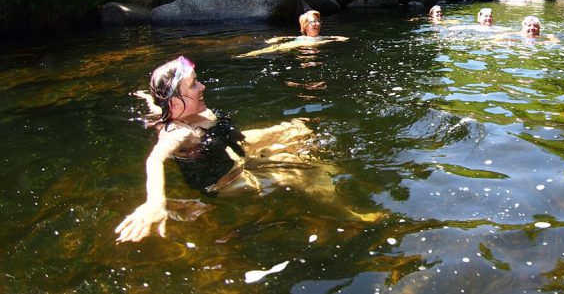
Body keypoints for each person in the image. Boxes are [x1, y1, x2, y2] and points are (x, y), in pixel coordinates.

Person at [114, 57, 378, 243]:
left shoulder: (182, 110)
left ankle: (306, 163)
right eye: (194, 84)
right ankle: (349, 214)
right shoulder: (179, 132)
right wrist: (154, 203)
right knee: (301, 167)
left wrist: (147, 98)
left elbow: (159, 109)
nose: (202, 86)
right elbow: (155, 159)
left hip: (230, 147)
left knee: (297, 129)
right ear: (174, 102)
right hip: (227, 180)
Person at [236, 10, 348, 57]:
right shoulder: (303, 38)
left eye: (319, 21)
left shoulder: (322, 38)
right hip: (300, 45)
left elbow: (342, 38)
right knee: (274, 49)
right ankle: (245, 55)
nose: (317, 24)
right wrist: (278, 38)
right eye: (313, 21)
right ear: (305, 25)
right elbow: (292, 38)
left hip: (306, 50)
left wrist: (334, 38)